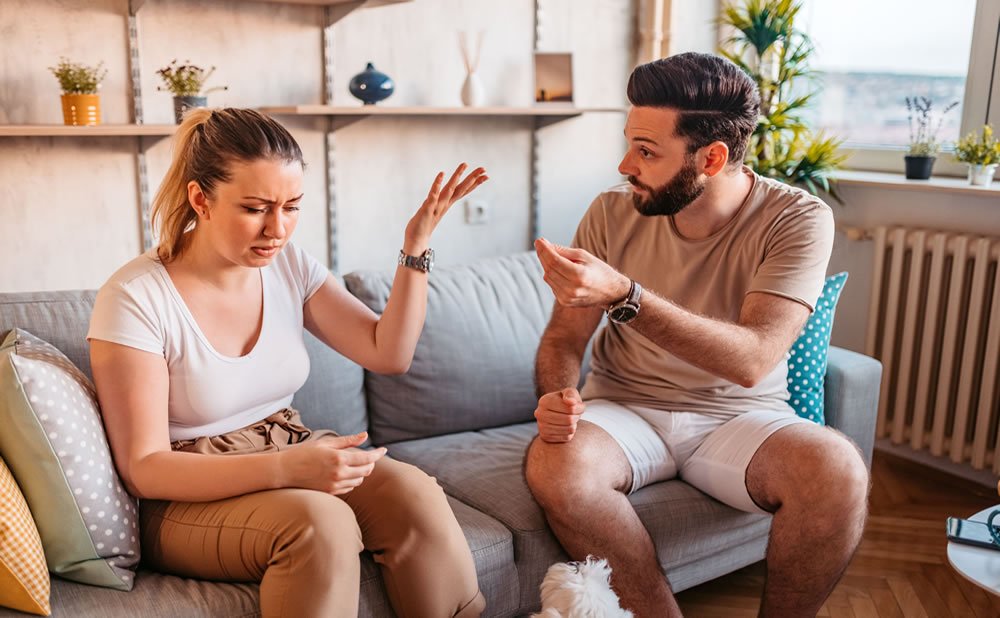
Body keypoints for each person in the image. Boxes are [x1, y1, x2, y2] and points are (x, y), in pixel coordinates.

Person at [86, 108, 488, 618]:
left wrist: (416, 247)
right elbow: (145, 469)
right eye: (255, 208)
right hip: (184, 496)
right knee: (320, 523)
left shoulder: (289, 264)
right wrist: (286, 469)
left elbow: (388, 353)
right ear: (199, 199)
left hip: (288, 445)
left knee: (414, 494)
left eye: (292, 206)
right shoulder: (135, 297)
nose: (277, 229)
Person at [525, 52, 868, 618]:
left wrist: (626, 296)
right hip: (626, 411)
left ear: (711, 158)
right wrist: (557, 396)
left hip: (742, 416)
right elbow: (564, 339)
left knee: (838, 470)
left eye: (646, 151)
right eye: (630, 142)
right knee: (555, 463)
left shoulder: (797, 218)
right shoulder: (611, 213)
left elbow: (754, 358)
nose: (623, 164)